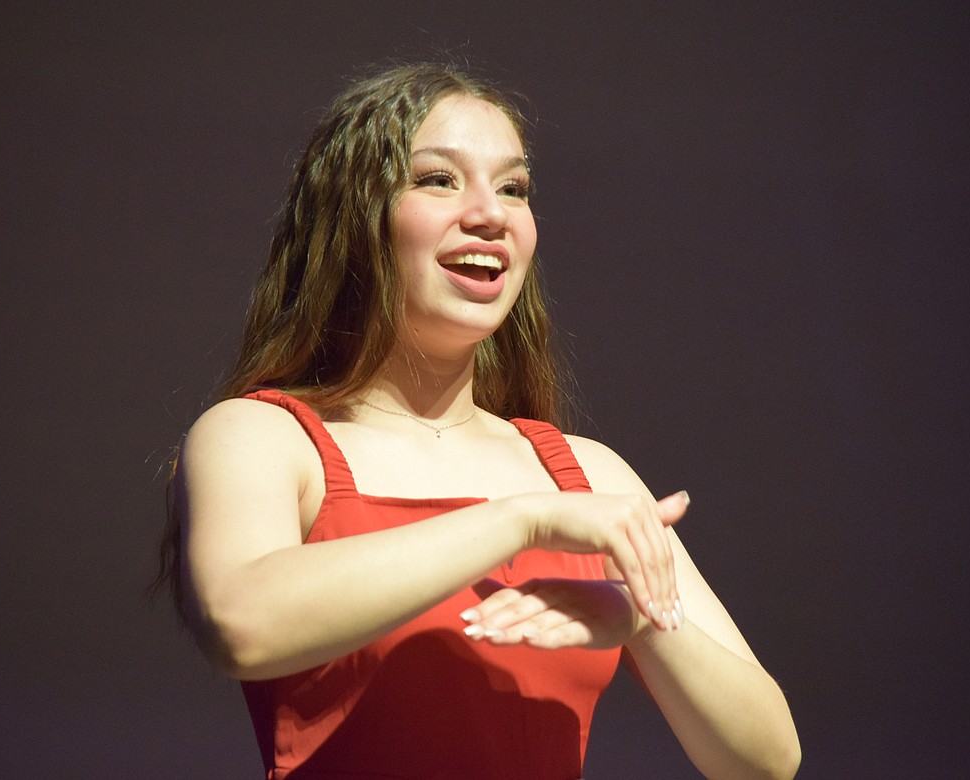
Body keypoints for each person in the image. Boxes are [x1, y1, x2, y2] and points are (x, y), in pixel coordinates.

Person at [158, 62, 800, 779]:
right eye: (438, 179)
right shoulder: (261, 436)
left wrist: (644, 620)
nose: (491, 214)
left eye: (514, 188)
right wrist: (518, 523)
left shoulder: (585, 473)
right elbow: (242, 625)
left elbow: (769, 761)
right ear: (353, 215)